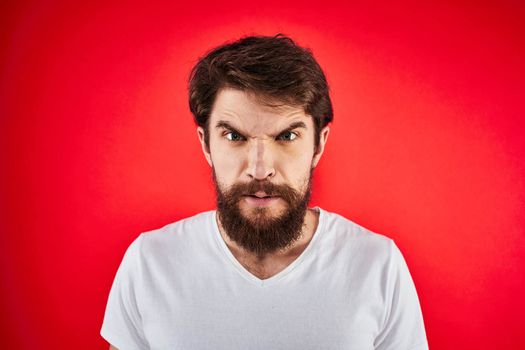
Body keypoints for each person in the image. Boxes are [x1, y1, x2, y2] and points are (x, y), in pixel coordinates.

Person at [101, 34, 428, 350]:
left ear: (319, 144)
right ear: (206, 144)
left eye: (286, 137)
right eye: (234, 137)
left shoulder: (377, 264)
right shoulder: (150, 263)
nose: (260, 169)